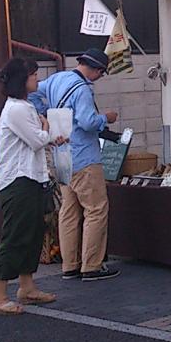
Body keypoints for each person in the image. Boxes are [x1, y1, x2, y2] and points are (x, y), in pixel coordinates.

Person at [0, 58, 68, 315]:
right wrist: (47, 129)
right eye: (33, 75)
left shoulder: (24, 106)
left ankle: (27, 286)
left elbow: (38, 139)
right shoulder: (17, 109)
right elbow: (36, 140)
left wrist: (47, 135)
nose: (37, 79)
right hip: (18, 180)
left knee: (33, 232)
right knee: (16, 234)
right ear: (21, 80)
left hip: (31, 177)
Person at [32, 48, 119, 282]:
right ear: (97, 70)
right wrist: (107, 118)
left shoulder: (57, 78)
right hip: (84, 156)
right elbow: (88, 123)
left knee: (68, 211)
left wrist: (45, 115)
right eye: (101, 73)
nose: (100, 77)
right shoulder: (82, 90)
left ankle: (69, 265)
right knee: (96, 209)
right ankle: (91, 265)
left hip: (61, 155)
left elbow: (32, 92)